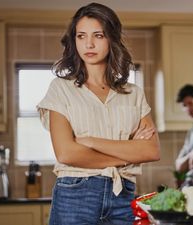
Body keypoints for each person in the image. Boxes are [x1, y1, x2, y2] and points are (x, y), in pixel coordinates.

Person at [37, 3, 160, 225]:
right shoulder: (60, 89)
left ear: (111, 38)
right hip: (75, 195)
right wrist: (127, 157)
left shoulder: (134, 93)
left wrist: (90, 141)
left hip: (123, 196)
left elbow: (150, 150)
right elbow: (67, 154)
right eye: (81, 36)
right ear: (74, 41)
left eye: (98, 35)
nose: (89, 44)